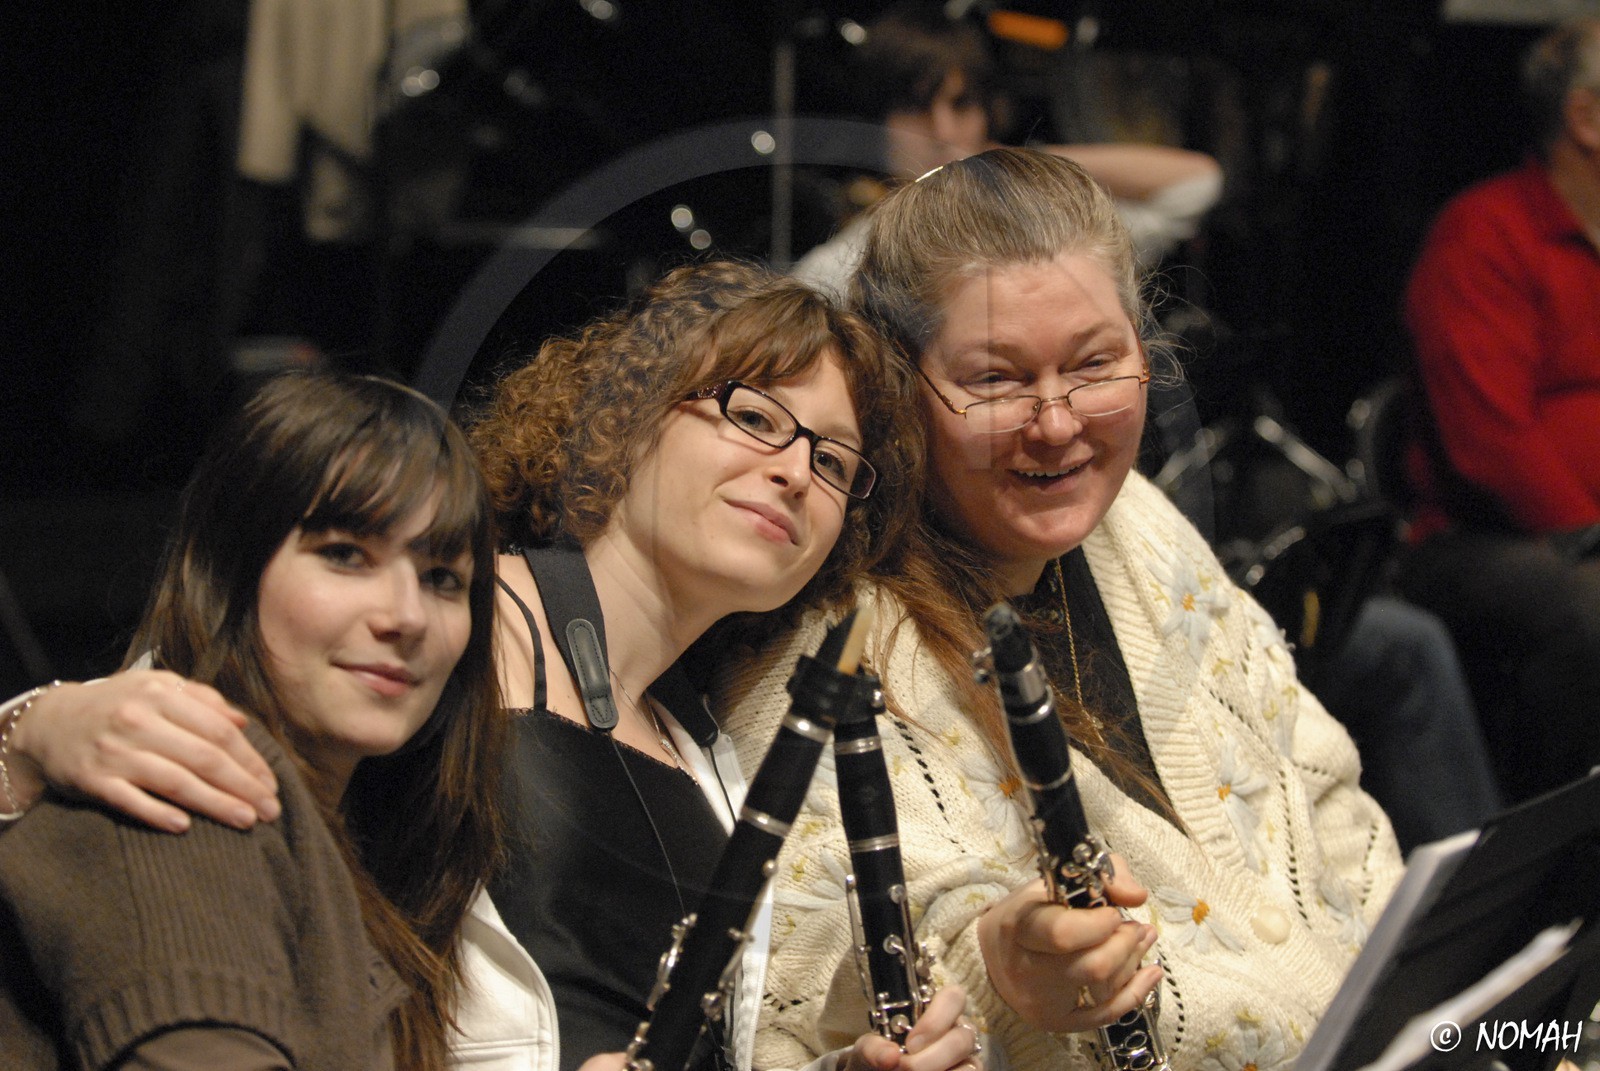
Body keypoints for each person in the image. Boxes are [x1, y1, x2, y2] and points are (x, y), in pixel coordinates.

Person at [5, 262, 984, 1071]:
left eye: (833, 463)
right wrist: (29, 730)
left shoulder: (704, 744)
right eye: (758, 417)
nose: (794, 471)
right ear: (630, 408)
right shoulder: (443, 621)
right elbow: (182, 707)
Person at [712, 150, 1404, 1071]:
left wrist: (1441, 1015)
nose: (1057, 422)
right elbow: (828, 966)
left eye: (1095, 362)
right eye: (995, 380)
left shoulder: (1140, 520)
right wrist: (995, 965)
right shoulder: (826, 650)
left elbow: (1323, 798)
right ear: (897, 387)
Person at [0, 371, 506, 1070]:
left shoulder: (377, 836)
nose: (407, 616)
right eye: (345, 555)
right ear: (230, 571)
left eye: (442, 577)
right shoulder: (186, 786)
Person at [1396, 16, 1600, 805]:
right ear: (1585, 118)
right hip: (1489, 540)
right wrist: (1588, 529)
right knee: (1591, 606)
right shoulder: (1485, 234)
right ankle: (1563, 851)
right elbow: (1490, 441)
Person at [792, 0, 1223, 299]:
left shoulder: (1052, 229)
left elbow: (1196, 182)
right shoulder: (837, 271)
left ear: (988, 112)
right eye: (915, 108)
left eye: (962, 105)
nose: (942, 131)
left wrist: (1020, 163)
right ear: (877, 122)